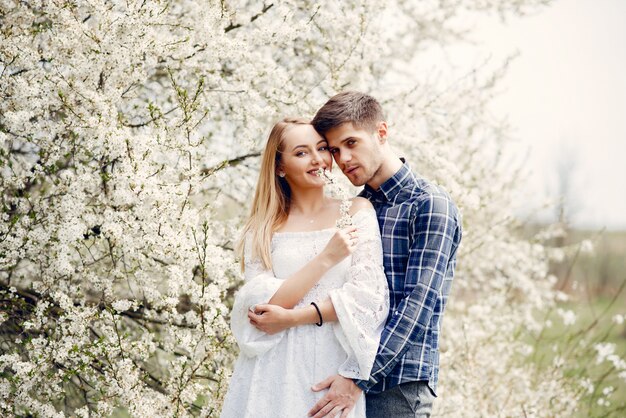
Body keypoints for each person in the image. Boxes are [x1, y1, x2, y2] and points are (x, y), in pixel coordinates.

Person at [302, 92, 463, 418]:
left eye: (351, 143)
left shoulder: (430, 204)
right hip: (343, 374)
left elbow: (417, 306)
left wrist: (360, 376)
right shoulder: (355, 210)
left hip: (397, 385)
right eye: (334, 150)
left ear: (382, 133)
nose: (343, 158)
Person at [220, 117, 389, 418]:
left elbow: (369, 297)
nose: (317, 159)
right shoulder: (261, 229)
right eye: (301, 152)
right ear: (279, 166)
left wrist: (293, 317)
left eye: (322, 148)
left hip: (330, 367)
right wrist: (326, 258)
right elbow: (264, 308)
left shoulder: (357, 211)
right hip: (270, 369)